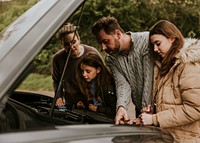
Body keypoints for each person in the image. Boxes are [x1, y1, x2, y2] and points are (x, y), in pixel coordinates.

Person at [139, 20, 200, 142]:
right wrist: (154, 109)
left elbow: (195, 108)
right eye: (153, 46)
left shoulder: (188, 65)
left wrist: (155, 119)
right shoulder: (165, 65)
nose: (155, 49)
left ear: (172, 38)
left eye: (158, 43)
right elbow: (173, 101)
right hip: (170, 136)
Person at [92, 16, 154, 124]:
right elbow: (122, 84)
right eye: (100, 43)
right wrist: (121, 107)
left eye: (106, 41)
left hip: (159, 109)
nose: (103, 48)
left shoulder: (146, 41)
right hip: (140, 110)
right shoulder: (111, 59)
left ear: (118, 34)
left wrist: (145, 112)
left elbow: (149, 80)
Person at [52, 23, 101, 109]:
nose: (71, 47)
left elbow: (103, 76)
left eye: (73, 42)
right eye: (67, 44)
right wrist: (59, 96)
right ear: (62, 44)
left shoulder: (92, 52)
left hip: (93, 102)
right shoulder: (58, 58)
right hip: (71, 102)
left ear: (79, 39)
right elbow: (56, 80)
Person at [76, 52, 117, 118]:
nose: (84, 74)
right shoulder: (86, 83)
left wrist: (98, 109)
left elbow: (114, 110)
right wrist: (84, 105)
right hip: (94, 117)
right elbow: (91, 104)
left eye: (88, 71)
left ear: (98, 70)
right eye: (82, 71)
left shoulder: (108, 86)